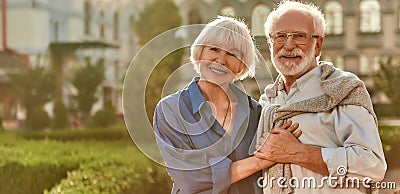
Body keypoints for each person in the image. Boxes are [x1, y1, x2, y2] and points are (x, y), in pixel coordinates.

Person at [153, 16, 301, 194]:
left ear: (241, 65)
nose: (221, 60)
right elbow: (189, 178)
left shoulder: (257, 113)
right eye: (214, 49)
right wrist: (261, 160)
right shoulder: (170, 110)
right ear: (200, 53)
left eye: (232, 54)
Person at [254, 1, 387, 194]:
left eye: (300, 36)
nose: (289, 45)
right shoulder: (267, 100)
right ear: (270, 44)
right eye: (280, 36)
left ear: (318, 45)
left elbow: (372, 166)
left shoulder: (343, 89)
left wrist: (296, 152)